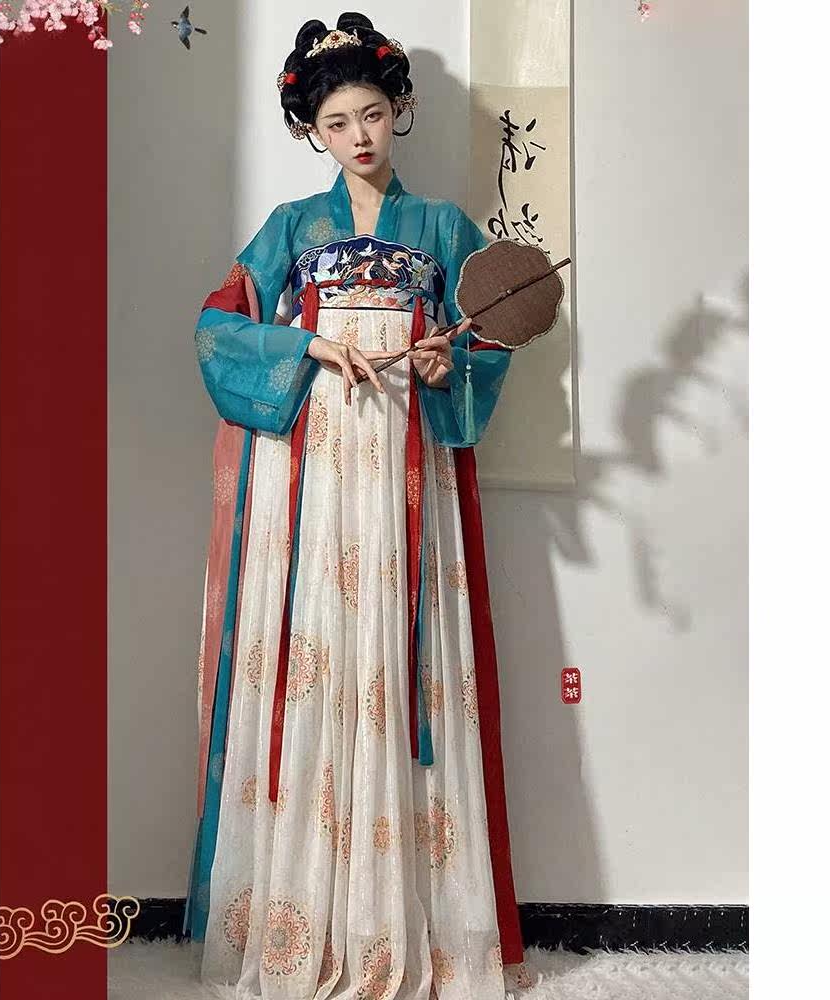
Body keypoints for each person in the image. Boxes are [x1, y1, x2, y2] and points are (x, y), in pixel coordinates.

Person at [184, 12, 536, 998]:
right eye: (336, 123)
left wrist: (445, 362)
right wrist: (307, 343)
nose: (359, 137)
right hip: (312, 464)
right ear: (312, 131)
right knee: (317, 647)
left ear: (399, 110)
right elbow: (217, 326)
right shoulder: (291, 227)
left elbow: (487, 336)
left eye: (373, 114)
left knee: (399, 647)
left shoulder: (445, 228)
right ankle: (302, 911)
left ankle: (403, 920)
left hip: (405, 466)